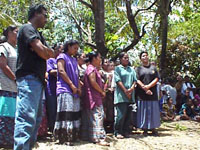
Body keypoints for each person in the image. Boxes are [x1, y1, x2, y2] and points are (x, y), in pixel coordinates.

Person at [14, 4, 54, 150]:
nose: (46, 19)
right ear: (36, 13)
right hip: (28, 79)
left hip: (37, 81)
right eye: (45, 15)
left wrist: (44, 51)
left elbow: (50, 54)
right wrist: (45, 51)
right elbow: (45, 54)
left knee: (36, 120)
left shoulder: (39, 35)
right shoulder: (27, 29)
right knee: (26, 119)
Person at [53, 40, 81, 146]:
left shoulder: (74, 60)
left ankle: (73, 135)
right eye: (74, 48)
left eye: (77, 49)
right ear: (68, 47)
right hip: (65, 89)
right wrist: (71, 85)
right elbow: (61, 71)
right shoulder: (62, 56)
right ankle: (64, 137)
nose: (76, 50)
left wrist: (78, 87)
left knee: (74, 113)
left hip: (74, 90)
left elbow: (77, 74)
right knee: (66, 113)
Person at [82, 51, 109, 146]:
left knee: (94, 117)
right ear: (94, 59)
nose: (100, 60)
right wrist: (101, 91)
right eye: (99, 57)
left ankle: (92, 136)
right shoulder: (91, 69)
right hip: (93, 97)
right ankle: (99, 138)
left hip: (94, 97)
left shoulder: (93, 69)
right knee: (98, 116)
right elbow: (93, 82)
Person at [0, 25, 18, 148]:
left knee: (12, 115)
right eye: (16, 31)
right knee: (5, 115)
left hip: (14, 87)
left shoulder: (16, 49)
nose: (18, 34)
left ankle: (10, 140)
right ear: (9, 33)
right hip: (5, 86)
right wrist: (14, 78)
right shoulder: (3, 47)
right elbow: (3, 65)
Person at [136, 51, 160, 136]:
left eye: (146, 55)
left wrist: (149, 86)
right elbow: (137, 80)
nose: (145, 57)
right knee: (144, 110)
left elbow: (157, 78)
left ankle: (153, 128)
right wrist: (145, 88)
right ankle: (144, 128)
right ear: (140, 58)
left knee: (153, 110)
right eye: (143, 56)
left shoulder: (153, 68)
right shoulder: (138, 69)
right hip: (142, 94)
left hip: (152, 94)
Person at [114, 52, 137, 139]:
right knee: (121, 115)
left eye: (127, 58)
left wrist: (131, 89)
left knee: (128, 115)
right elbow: (118, 80)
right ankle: (117, 131)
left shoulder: (131, 69)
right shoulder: (117, 69)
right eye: (124, 58)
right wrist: (125, 91)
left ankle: (125, 131)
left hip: (131, 95)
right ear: (120, 59)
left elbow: (135, 80)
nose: (127, 59)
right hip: (121, 95)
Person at [45, 43, 63, 132]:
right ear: (56, 50)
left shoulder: (63, 61)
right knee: (52, 108)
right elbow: (51, 71)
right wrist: (61, 72)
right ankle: (52, 128)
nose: (62, 52)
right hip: (51, 88)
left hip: (60, 88)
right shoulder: (51, 60)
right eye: (61, 50)